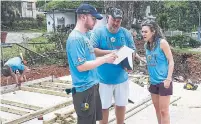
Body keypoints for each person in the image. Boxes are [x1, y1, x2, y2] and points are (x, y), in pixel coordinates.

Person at [66, 3, 117, 124]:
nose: (95, 22)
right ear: (83, 17)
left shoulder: (85, 35)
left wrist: (110, 52)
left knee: (92, 120)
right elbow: (81, 66)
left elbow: (92, 51)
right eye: (93, 18)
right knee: (86, 121)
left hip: (92, 85)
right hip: (83, 90)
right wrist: (105, 59)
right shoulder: (75, 39)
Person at [90, 7, 141, 124]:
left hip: (121, 78)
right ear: (108, 18)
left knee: (121, 105)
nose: (116, 23)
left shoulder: (125, 33)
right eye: (114, 20)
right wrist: (110, 52)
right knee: (103, 107)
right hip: (103, 78)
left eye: (118, 21)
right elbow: (92, 50)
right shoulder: (98, 32)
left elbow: (133, 50)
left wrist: (130, 64)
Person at [141, 20, 174, 124]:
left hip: (163, 82)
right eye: (142, 32)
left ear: (153, 31)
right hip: (153, 82)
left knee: (164, 111)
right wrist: (138, 57)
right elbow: (151, 61)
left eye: (146, 32)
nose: (143, 34)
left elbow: (171, 61)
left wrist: (168, 79)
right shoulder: (147, 46)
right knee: (157, 110)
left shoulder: (162, 43)